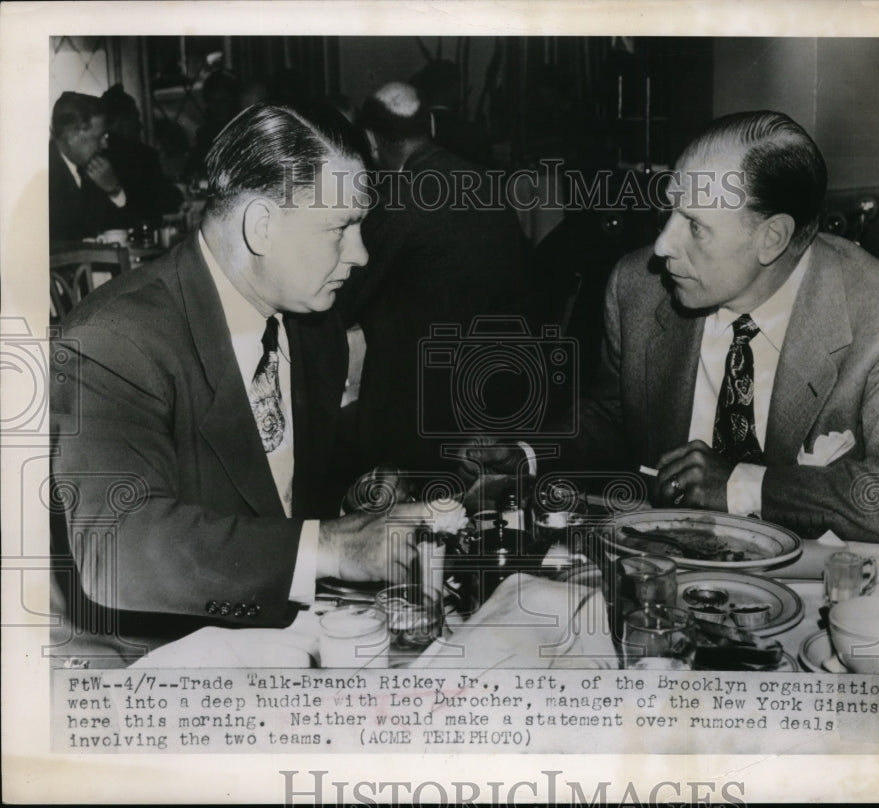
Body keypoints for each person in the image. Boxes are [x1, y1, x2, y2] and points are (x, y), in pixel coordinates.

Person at [51, 104, 434, 662]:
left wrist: (372, 483)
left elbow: (271, 486)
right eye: (340, 228)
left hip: (284, 634)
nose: (361, 255)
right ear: (260, 226)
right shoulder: (113, 339)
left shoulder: (312, 323)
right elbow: (117, 550)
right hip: (160, 666)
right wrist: (326, 546)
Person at [461, 110, 879, 546]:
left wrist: (742, 484)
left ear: (771, 238)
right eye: (670, 212)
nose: (661, 246)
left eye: (695, 226)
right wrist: (530, 453)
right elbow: (617, 418)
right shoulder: (637, 288)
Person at [335, 82, 532, 475]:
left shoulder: (400, 200)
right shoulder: (490, 184)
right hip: (500, 396)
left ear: (371, 141)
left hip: (419, 419)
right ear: (432, 130)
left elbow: (342, 302)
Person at [49, 91, 133, 240]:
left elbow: (121, 228)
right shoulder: (44, 175)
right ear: (71, 137)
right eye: (99, 137)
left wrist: (114, 189)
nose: (105, 145)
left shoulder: (94, 169)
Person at [101, 84, 184, 225]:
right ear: (122, 122)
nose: (140, 126)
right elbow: (172, 199)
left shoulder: (97, 157)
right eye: (135, 119)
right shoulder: (144, 156)